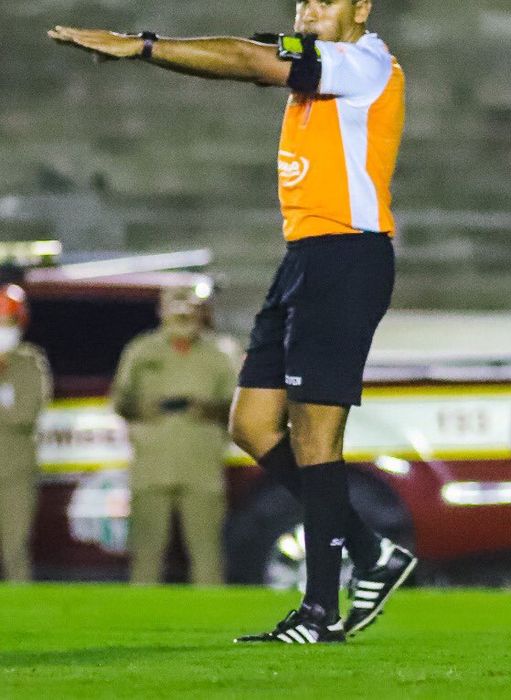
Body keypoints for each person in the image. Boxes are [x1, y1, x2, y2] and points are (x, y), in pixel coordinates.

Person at [50, 0, 416, 644]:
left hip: (347, 256)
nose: (308, 10)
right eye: (302, 0)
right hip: (306, 254)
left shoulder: (364, 63)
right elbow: (259, 52)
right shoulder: (324, 64)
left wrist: (139, 46)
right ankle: (371, 551)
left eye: (325, 0)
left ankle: (319, 611)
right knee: (250, 425)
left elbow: (250, 60)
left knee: (314, 439)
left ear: (362, 8)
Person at [111, 286, 238, 585]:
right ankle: (142, 626)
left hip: (202, 466)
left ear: (200, 311)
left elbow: (237, 406)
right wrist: (144, 408)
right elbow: (120, 400)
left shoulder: (220, 353)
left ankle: (210, 622)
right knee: (146, 556)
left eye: (189, 307)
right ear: (161, 311)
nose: (181, 314)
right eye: (174, 306)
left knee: (207, 556)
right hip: (152, 465)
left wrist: (207, 408)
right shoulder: (141, 350)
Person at [0, 284, 52, 582]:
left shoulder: (30, 361)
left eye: (6, 322)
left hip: (15, 469)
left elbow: (25, 414)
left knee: (15, 549)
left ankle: (18, 619)